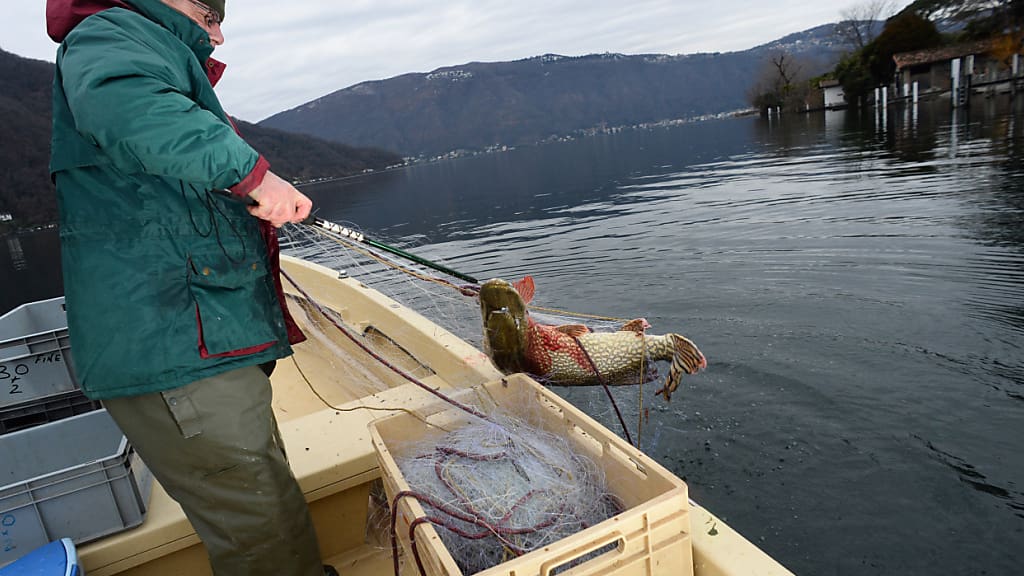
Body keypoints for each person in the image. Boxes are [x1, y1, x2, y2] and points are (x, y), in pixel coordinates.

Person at [46, 1, 335, 574]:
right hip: (174, 345)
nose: (219, 35)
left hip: (198, 340)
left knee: (265, 495)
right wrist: (251, 174)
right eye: (209, 14)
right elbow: (127, 108)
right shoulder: (109, 35)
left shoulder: (145, 46)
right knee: (260, 529)